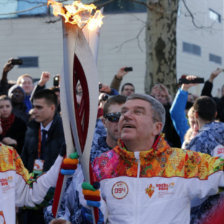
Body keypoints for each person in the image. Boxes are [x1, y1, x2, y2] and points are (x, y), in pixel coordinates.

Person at [82, 93, 224, 224]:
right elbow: (93, 211)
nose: (125, 116)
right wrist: (94, 211)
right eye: (124, 112)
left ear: (157, 127)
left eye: (138, 112)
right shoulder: (102, 165)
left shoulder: (184, 163)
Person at [44, 95, 127, 224]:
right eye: (114, 118)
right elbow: (57, 201)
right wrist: (61, 220)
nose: (120, 123)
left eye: (124, 117)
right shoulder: (83, 155)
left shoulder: (142, 159)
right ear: (104, 122)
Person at [20, 89, 65, 224]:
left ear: (52, 108)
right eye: (33, 107)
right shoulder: (31, 128)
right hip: (33, 193)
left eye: (39, 107)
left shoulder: (64, 131)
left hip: (56, 196)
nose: (34, 111)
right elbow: (24, 159)